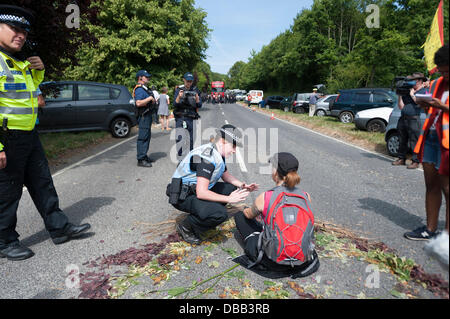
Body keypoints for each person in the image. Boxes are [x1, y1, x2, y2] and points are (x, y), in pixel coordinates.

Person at [0, 5, 91, 261]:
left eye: (24, 31)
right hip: (6, 137)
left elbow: (31, 97)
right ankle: (5, 241)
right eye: (14, 29)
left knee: (43, 185)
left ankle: (59, 229)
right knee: (7, 192)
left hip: (28, 135)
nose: (20, 35)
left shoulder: (18, 62)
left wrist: (38, 71)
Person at [167, 124, 259, 244]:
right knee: (220, 214)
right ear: (223, 141)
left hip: (194, 190)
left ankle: (205, 212)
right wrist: (229, 199)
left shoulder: (217, 152)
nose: (234, 150)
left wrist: (243, 185)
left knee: (232, 188)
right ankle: (186, 226)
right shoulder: (208, 158)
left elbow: (226, 176)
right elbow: (201, 193)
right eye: (234, 146)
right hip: (183, 196)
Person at [233, 152, 319, 278]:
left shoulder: (266, 196)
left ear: (276, 172)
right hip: (301, 260)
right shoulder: (306, 196)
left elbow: (248, 215)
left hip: (273, 261)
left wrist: (246, 209)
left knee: (240, 216)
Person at [404, 45, 449, 241]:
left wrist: (443, 106)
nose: (444, 73)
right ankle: (430, 229)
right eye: (441, 69)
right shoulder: (437, 83)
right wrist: (425, 105)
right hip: (431, 138)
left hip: (448, 145)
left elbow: (442, 109)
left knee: (448, 189)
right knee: (431, 185)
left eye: (447, 70)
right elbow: (431, 111)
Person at [392, 72, 428, 169]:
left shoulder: (424, 91)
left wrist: (412, 95)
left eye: (414, 80)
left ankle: (415, 161)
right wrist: (400, 95)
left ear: (420, 81)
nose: (412, 82)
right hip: (403, 117)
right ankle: (401, 158)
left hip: (414, 118)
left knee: (414, 141)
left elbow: (421, 104)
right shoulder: (407, 91)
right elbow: (401, 106)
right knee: (402, 139)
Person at [173, 72, 202, 159]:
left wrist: (197, 99)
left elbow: (199, 105)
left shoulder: (195, 90)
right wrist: (179, 96)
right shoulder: (179, 89)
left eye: (190, 81)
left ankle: (190, 158)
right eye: (187, 81)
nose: (189, 83)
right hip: (181, 117)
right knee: (180, 138)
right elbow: (175, 104)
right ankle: (180, 158)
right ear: (184, 80)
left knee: (191, 139)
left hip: (191, 118)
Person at [133, 69, 156, 168]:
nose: (148, 78)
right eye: (146, 77)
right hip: (143, 116)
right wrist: (150, 99)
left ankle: (144, 155)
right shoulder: (139, 89)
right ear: (140, 78)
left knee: (147, 137)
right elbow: (138, 103)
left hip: (147, 116)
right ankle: (141, 159)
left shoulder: (145, 89)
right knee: (143, 137)